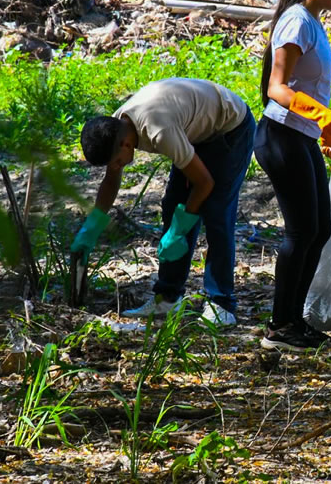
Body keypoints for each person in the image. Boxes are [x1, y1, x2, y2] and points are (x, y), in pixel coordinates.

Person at [71, 77, 255, 327]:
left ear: (126, 144)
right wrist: (91, 227)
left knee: (216, 212)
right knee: (172, 205)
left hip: (230, 128)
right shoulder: (117, 126)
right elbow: (111, 180)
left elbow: (205, 184)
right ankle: (168, 297)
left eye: (115, 161)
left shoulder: (159, 131)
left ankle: (222, 305)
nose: (116, 167)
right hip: (194, 131)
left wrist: (180, 230)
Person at [255, 0, 331, 352]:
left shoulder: (313, 21)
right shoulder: (296, 21)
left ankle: (295, 319)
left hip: (302, 135)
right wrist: (318, 113)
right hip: (280, 135)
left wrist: (322, 126)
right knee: (301, 230)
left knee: (320, 230)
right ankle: (279, 327)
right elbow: (277, 88)